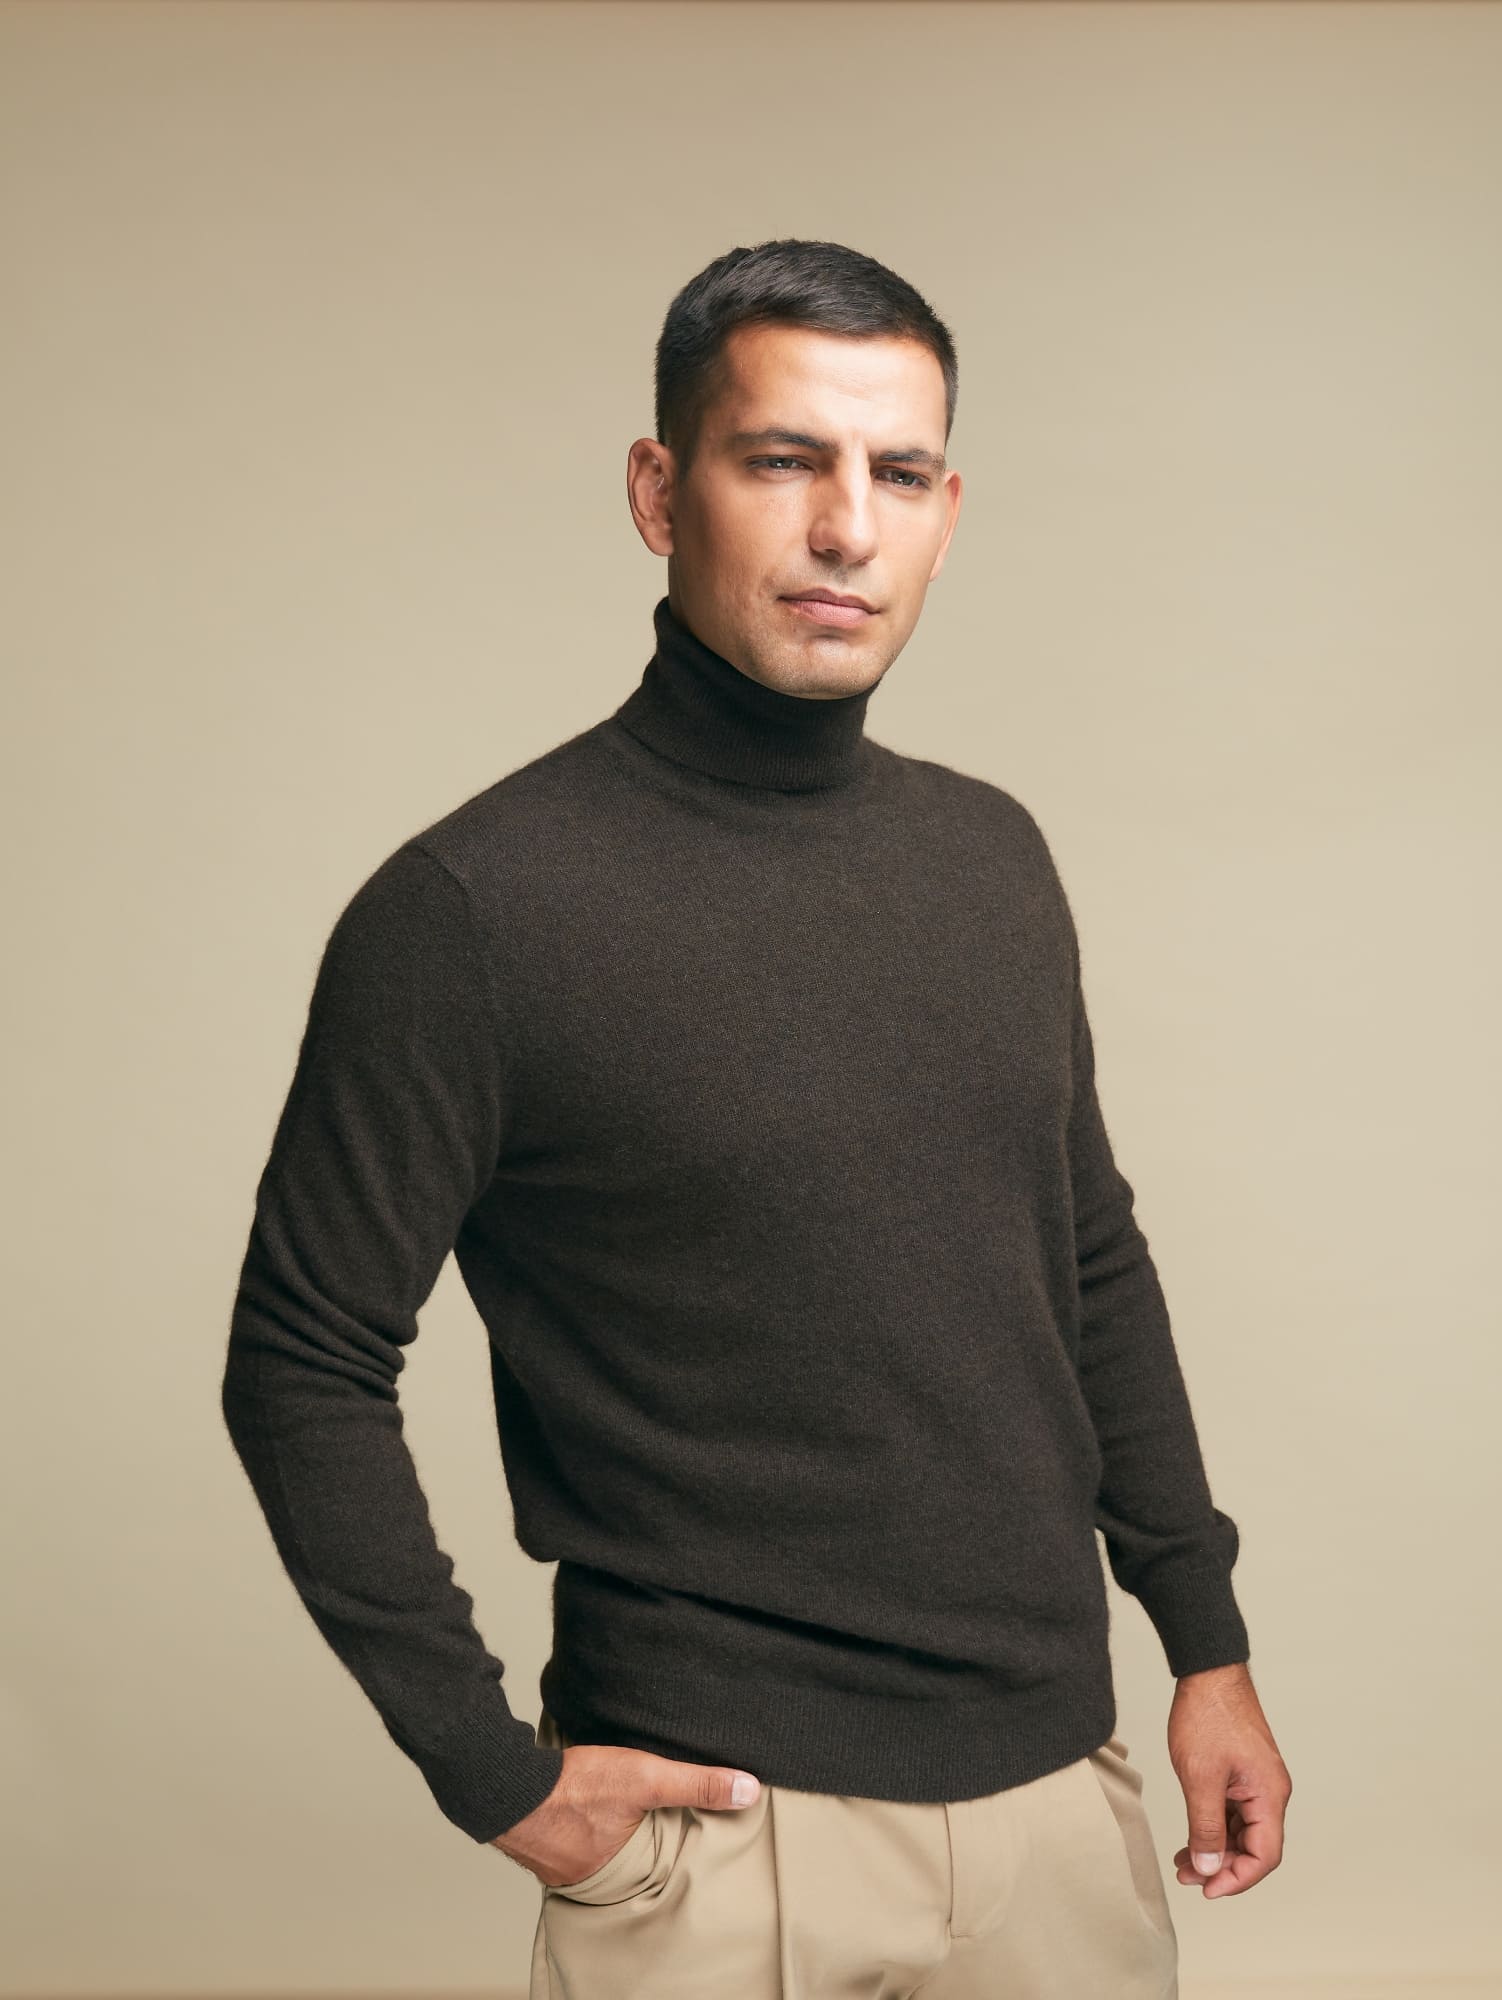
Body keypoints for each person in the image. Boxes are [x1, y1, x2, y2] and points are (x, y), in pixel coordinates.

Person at [222, 236, 1291, 1999]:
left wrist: (1206, 1641)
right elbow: (301, 1357)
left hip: (1056, 1804)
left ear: (949, 512)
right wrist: (490, 1772)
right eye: (784, 459)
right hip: (719, 1837)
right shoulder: (474, 911)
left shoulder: (993, 859)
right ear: (661, 492)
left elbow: (1086, 1257)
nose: (847, 528)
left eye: (901, 473)